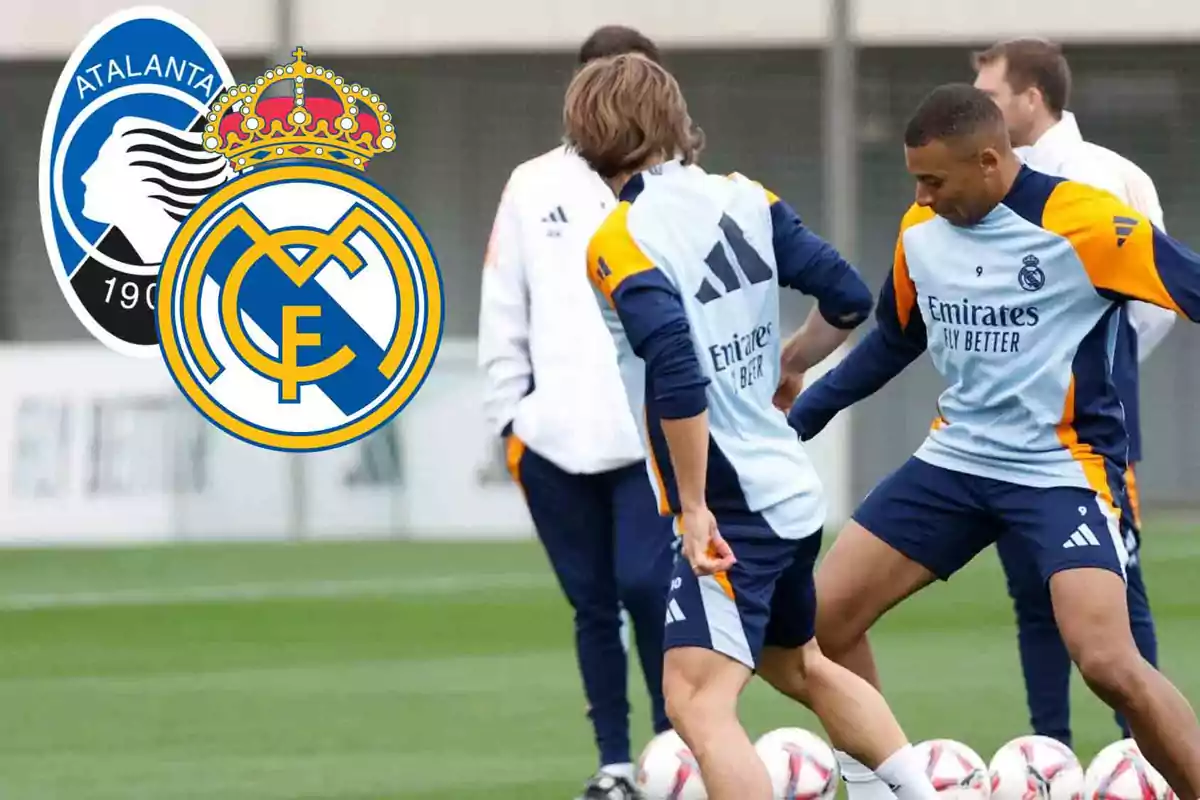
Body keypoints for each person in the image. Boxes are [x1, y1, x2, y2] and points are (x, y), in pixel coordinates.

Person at [786, 82, 1200, 800]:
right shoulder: (920, 229)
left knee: (1106, 661)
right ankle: (885, 788)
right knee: (820, 622)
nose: (920, 194)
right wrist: (801, 416)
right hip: (955, 463)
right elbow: (895, 340)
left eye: (934, 179)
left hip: (1062, 470)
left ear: (987, 160)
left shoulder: (1091, 223)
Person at [566, 51, 943, 800]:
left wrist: (697, 507)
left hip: (735, 508)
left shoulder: (619, 238)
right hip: (788, 491)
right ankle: (929, 793)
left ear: (589, 138)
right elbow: (844, 295)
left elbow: (674, 364)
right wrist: (792, 361)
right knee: (799, 665)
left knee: (695, 703)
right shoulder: (745, 196)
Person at [477, 26, 677, 800]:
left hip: (646, 439)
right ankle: (617, 765)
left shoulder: (682, 183)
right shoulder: (533, 184)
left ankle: (677, 750)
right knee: (591, 602)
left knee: (647, 586)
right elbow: (504, 303)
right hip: (553, 439)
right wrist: (511, 420)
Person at [972, 38, 1168, 747]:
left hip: (1090, 425)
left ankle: (1145, 756)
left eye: (990, 95)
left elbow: (1156, 299)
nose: (979, 107)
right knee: (1031, 593)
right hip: (1003, 425)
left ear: (1032, 97)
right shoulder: (985, 178)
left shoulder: (1109, 178)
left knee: (1119, 590)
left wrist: (1094, 371)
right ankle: (1047, 755)